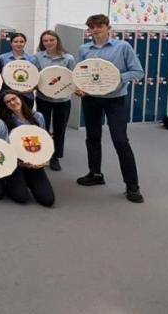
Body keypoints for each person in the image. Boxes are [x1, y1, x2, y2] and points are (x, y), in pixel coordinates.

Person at [76, 14, 145, 203]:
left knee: (120, 140)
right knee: (92, 137)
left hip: (115, 100)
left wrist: (114, 79)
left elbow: (138, 71)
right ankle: (95, 174)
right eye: (91, 27)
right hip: (91, 99)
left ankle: (132, 186)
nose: (95, 30)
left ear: (108, 27)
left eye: (99, 26)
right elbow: (81, 72)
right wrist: (80, 87)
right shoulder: (84, 49)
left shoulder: (123, 47)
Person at [0, 90, 55, 207]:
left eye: (14, 98)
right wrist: (20, 163)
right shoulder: (5, 121)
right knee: (21, 197)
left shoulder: (37, 117)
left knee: (48, 200)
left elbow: (45, 141)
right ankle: (11, 181)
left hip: (34, 162)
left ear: (20, 98)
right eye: (8, 102)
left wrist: (44, 161)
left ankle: (29, 181)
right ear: (5, 106)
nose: (12, 102)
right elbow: (5, 147)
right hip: (16, 164)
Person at [34, 30, 76, 171]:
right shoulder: (38, 57)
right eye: (45, 41)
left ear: (57, 40)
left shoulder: (68, 58)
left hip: (63, 100)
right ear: (42, 43)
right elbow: (35, 76)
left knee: (60, 129)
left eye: (51, 40)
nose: (49, 43)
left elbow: (72, 79)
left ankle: (55, 156)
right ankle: (44, 153)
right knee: (43, 127)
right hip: (43, 98)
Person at [0, 33, 38, 109]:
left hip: (26, 96)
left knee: (27, 119)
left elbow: (36, 78)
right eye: (16, 41)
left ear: (25, 43)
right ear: (11, 43)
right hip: (8, 95)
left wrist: (29, 89)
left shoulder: (32, 59)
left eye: (21, 41)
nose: (19, 44)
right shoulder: (3, 58)